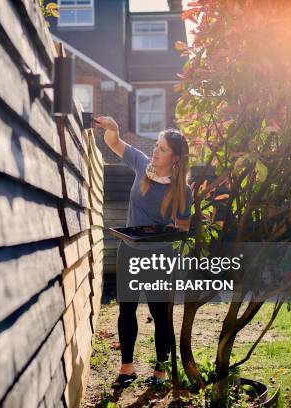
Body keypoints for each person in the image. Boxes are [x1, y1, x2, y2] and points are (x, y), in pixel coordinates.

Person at [94, 116, 192, 389]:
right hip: (130, 250)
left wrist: (169, 229)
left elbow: (183, 227)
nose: (155, 150)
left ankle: (160, 371)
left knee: (160, 313)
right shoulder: (140, 163)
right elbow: (115, 143)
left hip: (160, 256)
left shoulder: (183, 190)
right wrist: (113, 130)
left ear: (174, 158)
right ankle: (127, 367)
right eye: (156, 145)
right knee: (126, 309)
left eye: (161, 148)